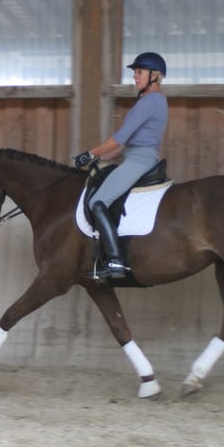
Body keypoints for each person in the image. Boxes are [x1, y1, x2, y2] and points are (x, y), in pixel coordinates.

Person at [73, 51, 169, 281]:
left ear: (154, 76)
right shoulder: (151, 101)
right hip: (133, 156)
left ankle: (115, 261)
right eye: (135, 73)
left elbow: (119, 138)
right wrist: (101, 160)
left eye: (139, 72)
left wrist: (89, 154)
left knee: (98, 201)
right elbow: (122, 147)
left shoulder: (151, 101)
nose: (135, 77)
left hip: (140, 160)